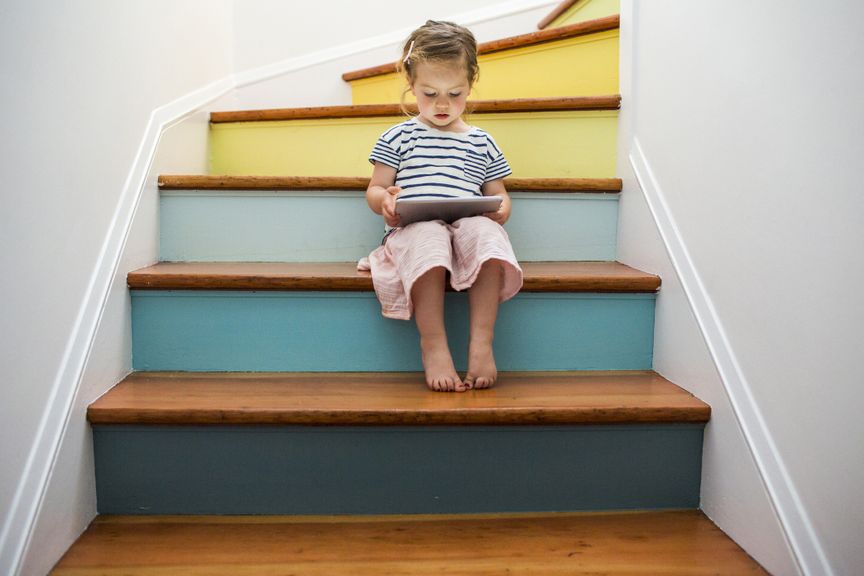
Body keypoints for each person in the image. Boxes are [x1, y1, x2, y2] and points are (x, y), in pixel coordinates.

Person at [363, 20, 523, 393]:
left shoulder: (481, 141)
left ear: (470, 86)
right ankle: (433, 343)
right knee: (430, 237)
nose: (442, 104)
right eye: (429, 93)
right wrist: (384, 200)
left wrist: (502, 210)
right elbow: (375, 189)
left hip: (466, 224)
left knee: (487, 233)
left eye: (455, 93)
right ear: (411, 85)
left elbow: (498, 192)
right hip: (415, 228)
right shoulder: (398, 136)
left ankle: (482, 342)